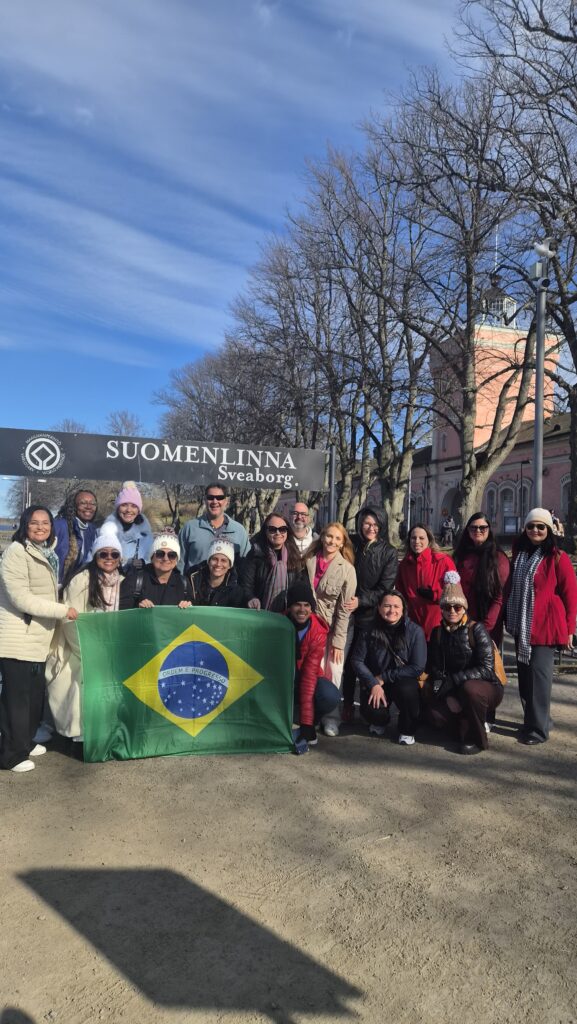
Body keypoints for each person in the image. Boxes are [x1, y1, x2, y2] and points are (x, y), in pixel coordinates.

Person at [0, 506, 78, 773]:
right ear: (24, 525)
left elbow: (43, 588)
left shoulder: (46, 552)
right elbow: (20, 597)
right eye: (34, 523)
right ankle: (11, 754)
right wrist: (61, 610)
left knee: (34, 696)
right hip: (18, 637)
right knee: (16, 700)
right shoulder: (16, 552)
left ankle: (25, 741)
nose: (41, 527)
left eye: (45, 523)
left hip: (37, 638)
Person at [46, 526, 124, 742]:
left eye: (114, 554)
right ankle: (80, 733)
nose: (109, 558)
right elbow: (69, 620)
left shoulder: (123, 581)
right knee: (80, 678)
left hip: (111, 646)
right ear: (95, 555)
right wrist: (90, 651)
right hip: (81, 647)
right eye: (103, 554)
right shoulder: (81, 580)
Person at [506, 508, 577, 745]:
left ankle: (538, 730)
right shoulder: (520, 553)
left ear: (549, 530)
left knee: (539, 677)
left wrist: (569, 629)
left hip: (545, 626)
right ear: (524, 529)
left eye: (541, 527)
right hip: (521, 625)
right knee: (526, 678)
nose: (535, 530)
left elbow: (570, 596)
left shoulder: (558, 557)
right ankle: (535, 720)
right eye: (531, 526)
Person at [424, 571, 503, 754]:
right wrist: (449, 695)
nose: (452, 611)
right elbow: (436, 668)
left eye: (457, 607)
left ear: (464, 608)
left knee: (470, 689)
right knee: (435, 716)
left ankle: (477, 739)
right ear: (441, 609)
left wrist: (454, 682)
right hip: (454, 689)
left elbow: (486, 669)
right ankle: (463, 723)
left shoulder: (477, 630)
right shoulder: (437, 633)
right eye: (447, 607)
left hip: (484, 688)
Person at [342, 505, 398, 721]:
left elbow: (385, 588)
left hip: (369, 615)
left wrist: (362, 601)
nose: (371, 528)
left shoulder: (389, 552)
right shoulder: (352, 543)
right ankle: (347, 701)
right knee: (347, 662)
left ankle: (370, 702)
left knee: (366, 660)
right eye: (367, 523)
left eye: (375, 524)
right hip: (347, 611)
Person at [351, 590, 426, 745]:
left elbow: (417, 667)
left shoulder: (415, 631)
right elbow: (357, 660)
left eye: (396, 606)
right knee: (372, 711)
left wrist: (384, 678)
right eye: (387, 606)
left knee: (407, 691)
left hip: (402, 680)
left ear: (403, 609)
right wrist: (373, 683)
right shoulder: (368, 630)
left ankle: (406, 729)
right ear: (378, 608)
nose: (392, 610)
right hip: (376, 681)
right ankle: (380, 721)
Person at [304, 522, 357, 736]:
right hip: (311, 628)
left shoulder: (347, 570)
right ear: (322, 537)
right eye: (329, 537)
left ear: (343, 543)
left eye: (337, 539)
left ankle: (332, 718)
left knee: (334, 672)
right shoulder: (308, 561)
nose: (332, 542)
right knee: (313, 671)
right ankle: (313, 714)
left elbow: (345, 610)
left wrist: (337, 642)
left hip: (334, 629)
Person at [286, 581, 339, 747]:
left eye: (306, 605)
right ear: (290, 606)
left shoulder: (317, 632)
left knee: (330, 695)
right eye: (297, 605)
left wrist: (307, 724)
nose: (302, 610)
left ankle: (310, 720)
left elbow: (309, 677)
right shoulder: (278, 624)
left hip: (307, 677)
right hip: (285, 679)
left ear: (312, 607)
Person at [453, 513, 510, 645]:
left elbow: (499, 598)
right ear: (468, 530)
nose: (478, 531)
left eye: (482, 528)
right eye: (473, 528)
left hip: (487, 624)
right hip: (461, 621)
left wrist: (484, 628)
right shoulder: (461, 555)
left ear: (489, 530)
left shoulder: (498, 558)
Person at [395, 524, 456, 640]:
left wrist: (435, 595)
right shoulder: (404, 565)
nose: (417, 541)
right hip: (413, 625)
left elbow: (455, 594)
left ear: (429, 540)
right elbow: (400, 593)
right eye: (413, 538)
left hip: (439, 625)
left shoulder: (444, 561)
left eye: (421, 538)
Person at [179, 484, 250, 574]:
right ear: (205, 500)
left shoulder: (239, 531)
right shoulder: (190, 528)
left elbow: (246, 565)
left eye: (219, 497)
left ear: (226, 501)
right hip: (193, 586)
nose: (215, 501)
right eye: (210, 497)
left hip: (228, 587)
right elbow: (179, 563)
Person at [241, 512, 304, 612]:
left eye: (282, 529)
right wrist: (251, 598)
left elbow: (299, 585)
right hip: (259, 613)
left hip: (287, 615)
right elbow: (246, 586)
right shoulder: (255, 554)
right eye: (272, 529)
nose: (278, 533)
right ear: (265, 531)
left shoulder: (294, 555)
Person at [120, 533, 192, 609]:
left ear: (177, 559)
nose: (165, 558)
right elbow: (121, 613)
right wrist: (137, 609)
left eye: (172, 555)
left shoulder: (184, 583)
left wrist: (188, 608)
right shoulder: (134, 580)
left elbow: (193, 616)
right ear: (152, 557)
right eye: (160, 554)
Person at [99, 481, 153, 569]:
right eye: (124, 505)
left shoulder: (146, 536)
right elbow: (92, 561)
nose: (129, 510)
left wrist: (143, 563)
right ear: (118, 508)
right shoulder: (102, 534)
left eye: (134, 506)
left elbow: (154, 564)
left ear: (138, 510)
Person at [53, 489, 99, 586]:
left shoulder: (91, 529)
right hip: (55, 585)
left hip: (76, 586)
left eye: (93, 503)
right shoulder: (59, 525)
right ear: (73, 506)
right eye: (83, 503)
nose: (89, 507)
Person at [188, 540, 245, 607]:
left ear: (229, 565)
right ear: (208, 561)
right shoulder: (192, 580)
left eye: (223, 560)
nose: (218, 564)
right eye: (214, 559)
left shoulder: (236, 591)